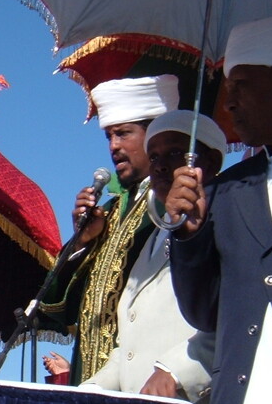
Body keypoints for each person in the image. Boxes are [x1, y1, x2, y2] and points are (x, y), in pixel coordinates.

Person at [165, 16, 272, 404]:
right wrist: (190, 237)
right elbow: (206, 312)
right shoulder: (227, 192)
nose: (228, 101)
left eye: (243, 85)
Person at [41, 75, 179, 383]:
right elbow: (59, 311)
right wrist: (82, 241)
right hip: (92, 384)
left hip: (149, 382)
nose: (114, 146)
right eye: (108, 137)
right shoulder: (111, 212)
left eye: (123, 133)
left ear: (156, 136)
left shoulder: (173, 204)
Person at [82, 109, 222, 404]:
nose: (159, 167)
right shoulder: (155, 237)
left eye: (174, 153)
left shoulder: (228, 219)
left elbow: (242, 316)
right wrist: (91, 390)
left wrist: (177, 372)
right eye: (155, 157)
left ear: (210, 163)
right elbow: (130, 346)